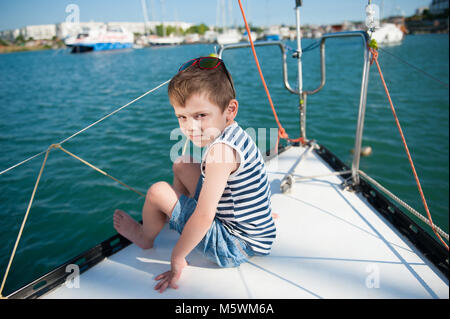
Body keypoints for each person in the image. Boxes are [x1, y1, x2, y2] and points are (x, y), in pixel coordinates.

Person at [113, 56, 276, 293]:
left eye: (200, 115)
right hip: (253, 231)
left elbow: (205, 216)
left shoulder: (220, 152)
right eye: (182, 116)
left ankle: (144, 236)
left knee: (158, 191)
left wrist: (178, 256)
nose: (190, 126)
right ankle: (176, 217)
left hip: (235, 245)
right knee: (182, 163)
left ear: (229, 109)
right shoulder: (235, 133)